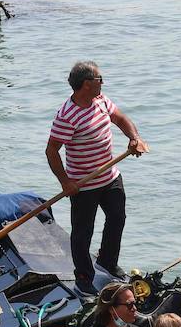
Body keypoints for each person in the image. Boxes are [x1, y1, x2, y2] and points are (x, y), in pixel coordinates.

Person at [47, 61, 150, 296]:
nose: (103, 82)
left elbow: (121, 119)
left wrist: (134, 138)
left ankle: (107, 261)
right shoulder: (67, 116)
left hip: (110, 176)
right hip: (83, 184)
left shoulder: (101, 100)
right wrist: (65, 182)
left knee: (117, 218)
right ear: (86, 84)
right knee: (83, 232)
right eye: (99, 79)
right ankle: (84, 276)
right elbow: (51, 151)